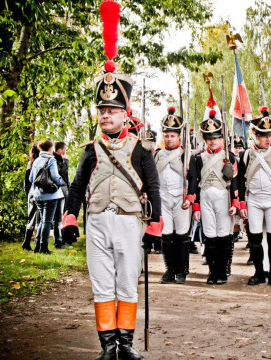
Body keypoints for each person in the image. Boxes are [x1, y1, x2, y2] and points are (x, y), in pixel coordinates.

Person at [62, 9, 162, 357]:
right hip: (98, 223)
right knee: (102, 285)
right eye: (102, 110)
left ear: (125, 112)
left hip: (130, 221)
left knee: (126, 284)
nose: (106, 114)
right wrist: (70, 217)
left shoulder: (142, 148)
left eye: (112, 110)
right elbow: (76, 186)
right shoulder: (91, 149)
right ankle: (108, 347)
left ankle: (127, 345)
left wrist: (155, 226)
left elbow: (153, 186)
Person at [237, 107, 271, 287]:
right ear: (255, 136)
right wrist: (242, 204)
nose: (268, 139)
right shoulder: (246, 155)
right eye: (263, 135)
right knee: (255, 238)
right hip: (254, 200)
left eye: (269, 135)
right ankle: (259, 272)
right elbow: (240, 181)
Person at [190, 108, 238, 285]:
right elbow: (194, 182)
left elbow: (234, 182)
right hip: (205, 198)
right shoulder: (198, 159)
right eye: (209, 138)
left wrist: (234, 202)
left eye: (216, 137)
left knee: (224, 235)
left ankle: (223, 271)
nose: (212, 141)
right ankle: (212, 271)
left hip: (223, 198)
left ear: (222, 139)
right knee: (210, 236)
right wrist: (195, 206)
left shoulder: (229, 157)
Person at [154, 107, 194, 284]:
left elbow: (193, 178)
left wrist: (190, 197)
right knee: (167, 235)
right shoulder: (157, 155)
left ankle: (182, 270)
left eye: (173, 135)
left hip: (181, 199)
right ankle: (169, 270)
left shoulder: (186, 155)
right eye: (167, 135)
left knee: (182, 236)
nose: (169, 139)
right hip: (164, 198)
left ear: (179, 136)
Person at [29, 140, 66, 254]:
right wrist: (62, 183)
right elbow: (55, 176)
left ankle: (37, 246)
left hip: (38, 195)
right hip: (51, 195)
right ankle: (44, 247)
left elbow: (31, 178)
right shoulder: (51, 160)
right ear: (51, 149)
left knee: (42, 221)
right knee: (47, 221)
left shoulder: (36, 161)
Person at [21, 143, 40, 251]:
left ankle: (27, 242)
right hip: (35, 193)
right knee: (36, 218)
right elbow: (27, 181)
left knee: (32, 218)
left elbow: (26, 182)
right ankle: (31, 242)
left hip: (31, 193)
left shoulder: (31, 162)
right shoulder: (35, 163)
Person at [53, 141, 70, 248]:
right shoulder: (56, 160)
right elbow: (62, 173)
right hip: (59, 190)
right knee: (58, 217)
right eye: (64, 149)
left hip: (63, 189)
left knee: (63, 215)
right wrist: (65, 161)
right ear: (60, 150)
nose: (65, 151)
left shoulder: (57, 159)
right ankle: (58, 241)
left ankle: (63, 238)